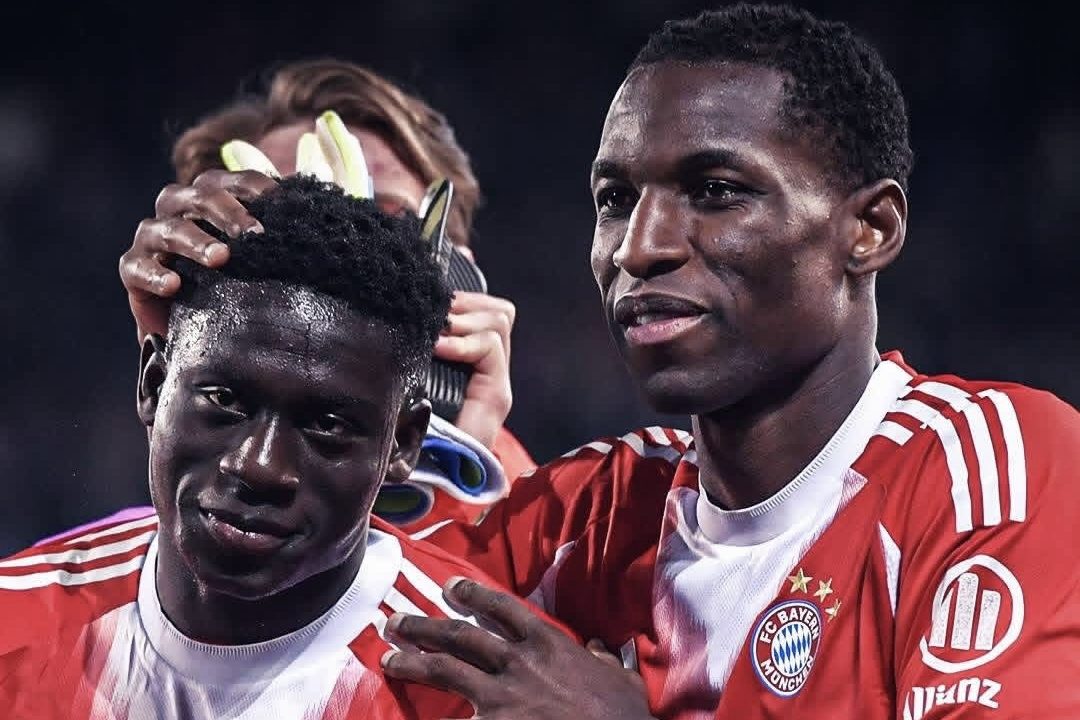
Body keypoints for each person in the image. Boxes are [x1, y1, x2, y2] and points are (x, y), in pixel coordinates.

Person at [372, 5, 1080, 719]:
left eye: (716, 191)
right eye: (616, 200)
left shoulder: (983, 466)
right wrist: (434, 433)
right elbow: (334, 640)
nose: (639, 247)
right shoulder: (595, 515)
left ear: (870, 229)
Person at [0, 175, 558, 719]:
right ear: (153, 384)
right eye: (224, 399)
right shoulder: (13, 624)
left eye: (328, 425)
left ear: (403, 444)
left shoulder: (493, 694)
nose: (259, 465)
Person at [118, 58, 531, 532]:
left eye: (382, 220)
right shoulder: (81, 566)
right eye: (286, 221)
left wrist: (456, 469)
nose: (332, 255)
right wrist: (179, 371)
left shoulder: (546, 529)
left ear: (458, 275)